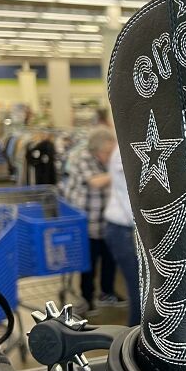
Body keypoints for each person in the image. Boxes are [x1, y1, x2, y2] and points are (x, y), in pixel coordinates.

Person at [62, 128, 121, 314]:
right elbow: (95, 182)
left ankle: (107, 292)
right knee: (88, 263)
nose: (110, 156)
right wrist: (119, 172)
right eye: (107, 152)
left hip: (106, 221)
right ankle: (87, 299)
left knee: (110, 258)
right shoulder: (82, 158)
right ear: (96, 150)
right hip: (86, 223)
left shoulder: (107, 160)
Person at [103, 146, 140, 327]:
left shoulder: (126, 147)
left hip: (125, 229)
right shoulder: (126, 148)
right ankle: (133, 345)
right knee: (139, 292)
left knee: (141, 292)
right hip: (124, 230)